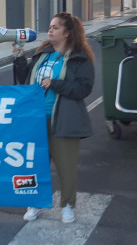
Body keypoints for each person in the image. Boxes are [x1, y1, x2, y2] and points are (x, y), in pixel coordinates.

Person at [14, 13, 94, 224]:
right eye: (50, 27)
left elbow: (84, 88)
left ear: (67, 33)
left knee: (65, 166)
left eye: (55, 27)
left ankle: (67, 205)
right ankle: (35, 202)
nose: (50, 31)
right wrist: (21, 61)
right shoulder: (42, 55)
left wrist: (56, 84)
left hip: (64, 119)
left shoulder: (79, 58)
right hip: (37, 119)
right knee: (34, 164)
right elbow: (25, 83)